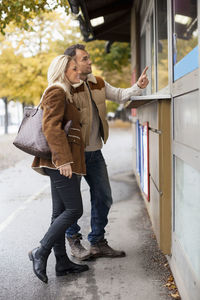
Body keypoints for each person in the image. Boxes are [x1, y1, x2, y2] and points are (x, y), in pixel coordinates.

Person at [63, 44, 149, 260]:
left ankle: (98, 241)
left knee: (104, 196)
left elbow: (120, 95)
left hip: (94, 153)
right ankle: (74, 241)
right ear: (72, 63)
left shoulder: (98, 82)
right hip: (73, 155)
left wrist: (137, 86)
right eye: (84, 59)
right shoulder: (65, 86)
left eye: (89, 58)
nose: (90, 61)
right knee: (72, 204)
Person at [29, 55, 89, 284]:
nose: (78, 71)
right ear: (62, 71)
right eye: (74, 68)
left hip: (62, 161)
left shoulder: (66, 92)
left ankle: (62, 262)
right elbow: (51, 128)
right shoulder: (56, 91)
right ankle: (40, 251)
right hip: (60, 162)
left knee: (58, 213)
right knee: (74, 210)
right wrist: (63, 161)